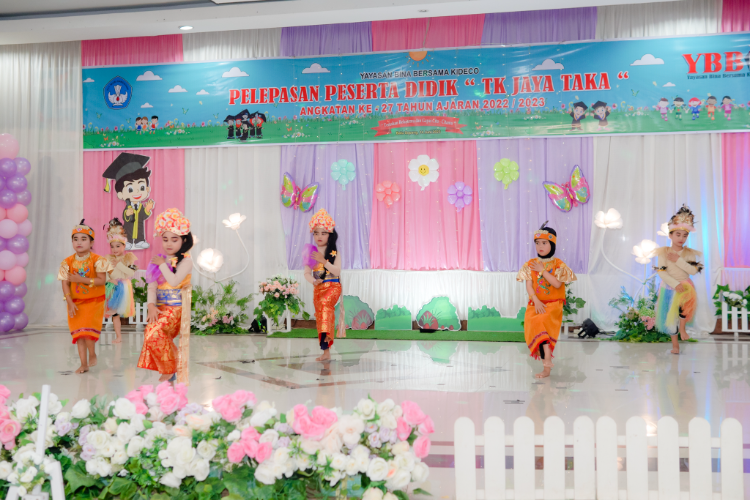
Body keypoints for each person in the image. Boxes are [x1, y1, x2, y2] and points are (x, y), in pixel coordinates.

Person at [137, 208, 193, 383]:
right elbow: (151, 286)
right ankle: (171, 366)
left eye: (174, 240)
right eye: (165, 239)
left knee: (155, 332)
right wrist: (151, 306)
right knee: (149, 333)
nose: (169, 244)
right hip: (160, 308)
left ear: (183, 240)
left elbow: (174, 281)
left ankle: (169, 369)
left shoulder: (186, 260)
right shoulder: (159, 259)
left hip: (176, 310)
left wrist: (162, 264)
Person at [516, 222, 577, 379]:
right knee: (537, 329)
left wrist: (542, 270)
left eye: (544, 243)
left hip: (553, 305)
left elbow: (557, 284)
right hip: (535, 303)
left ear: (552, 244)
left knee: (540, 323)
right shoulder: (530, 264)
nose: (540, 246)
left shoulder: (558, 264)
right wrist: (535, 300)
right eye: (537, 243)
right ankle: (546, 366)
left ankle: (547, 364)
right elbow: (529, 285)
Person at [58, 220, 113, 374]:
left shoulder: (98, 260)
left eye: (83, 239)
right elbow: (64, 284)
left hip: (94, 302)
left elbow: (101, 280)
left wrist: (80, 279)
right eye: (75, 239)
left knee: (88, 331)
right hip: (75, 302)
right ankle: (84, 364)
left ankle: (93, 354)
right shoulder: (66, 262)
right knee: (79, 334)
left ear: (91, 242)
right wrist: (69, 302)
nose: (79, 242)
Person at [654, 205, 703, 354]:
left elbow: (692, 271)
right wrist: (675, 284)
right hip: (669, 286)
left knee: (684, 310)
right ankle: (675, 345)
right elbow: (661, 272)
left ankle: (683, 329)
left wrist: (678, 260)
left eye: (685, 235)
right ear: (670, 235)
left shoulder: (689, 253)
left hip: (686, 286)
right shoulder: (663, 252)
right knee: (670, 318)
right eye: (678, 235)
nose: (681, 238)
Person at [304, 208, 344, 362]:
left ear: (330, 234)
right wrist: (313, 281)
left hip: (333, 287)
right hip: (318, 289)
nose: (319, 236)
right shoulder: (310, 252)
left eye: (323, 233)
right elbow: (307, 273)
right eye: (316, 233)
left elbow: (337, 271)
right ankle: (326, 351)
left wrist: (323, 261)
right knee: (320, 316)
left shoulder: (334, 252)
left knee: (326, 304)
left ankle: (328, 336)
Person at [104, 218, 138, 344]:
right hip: (112, 286)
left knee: (118, 311)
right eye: (112, 246)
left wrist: (119, 264)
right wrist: (109, 279)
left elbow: (130, 273)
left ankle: (119, 336)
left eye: (118, 246)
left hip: (123, 287)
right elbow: (104, 272)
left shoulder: (128, 258)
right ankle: (118, 336)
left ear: (124, 246)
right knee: (114, 313)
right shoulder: (108, 258)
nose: (115, 249)